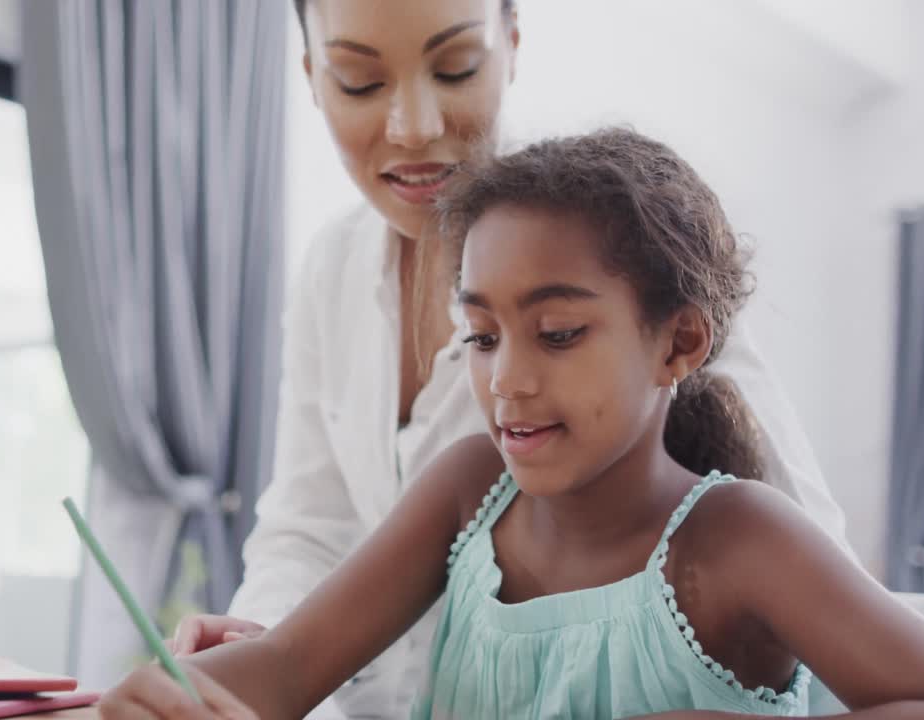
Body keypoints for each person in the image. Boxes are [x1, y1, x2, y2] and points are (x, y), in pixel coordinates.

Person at [98, 128, 924, 719]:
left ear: (678, 342)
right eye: (480, 335)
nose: (506, 378)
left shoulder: (736, 538)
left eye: (557, 334)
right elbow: (290, 665)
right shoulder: (466, 491)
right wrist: (167, 698)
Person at [175, 1, 846, 718]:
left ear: (511, 43)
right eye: (360, 82)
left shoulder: (623, 264)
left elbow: (812, 591)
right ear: (312, 77)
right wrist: (272, 643)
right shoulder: (331, 270)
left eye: (455, 67)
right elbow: (306, 528)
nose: (414, 127)